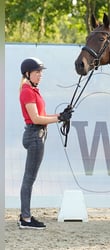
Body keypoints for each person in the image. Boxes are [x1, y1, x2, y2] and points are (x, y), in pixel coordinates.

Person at [18, 57, 72, 229]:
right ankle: (25, 219)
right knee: (29, 179)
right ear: (28, 74)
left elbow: (42, 115)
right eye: (37, 72)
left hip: (36, 134)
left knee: (29, 178)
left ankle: (24, 216)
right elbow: (35, 119)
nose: (40, 75)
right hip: (35, 136)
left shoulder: (33, 90)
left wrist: (60, 115)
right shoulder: (27, 91)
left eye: (41, 72)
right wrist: (59, 119)